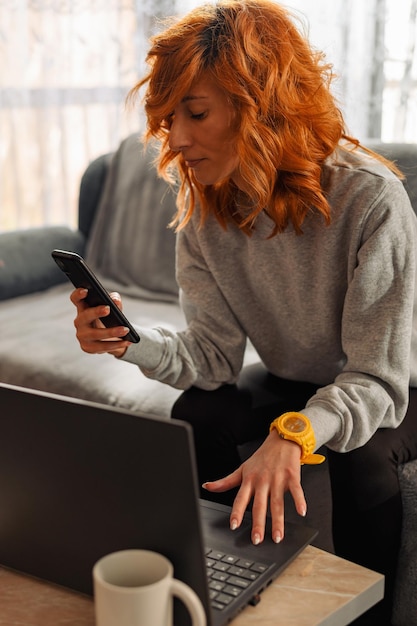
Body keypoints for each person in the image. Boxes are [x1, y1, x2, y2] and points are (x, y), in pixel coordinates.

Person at [70, 1, 417, 623]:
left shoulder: (372, 199)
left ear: (260, 101)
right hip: (297, 374)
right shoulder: (204, 206)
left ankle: (370, 616)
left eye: (195, 113)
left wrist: (297, 433)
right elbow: (210, 358)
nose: (176, 139)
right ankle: (225, 584)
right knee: (200, 410)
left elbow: (376, 381)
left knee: (361, 456)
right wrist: (126, 340)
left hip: (392, 384)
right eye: (170, 117)